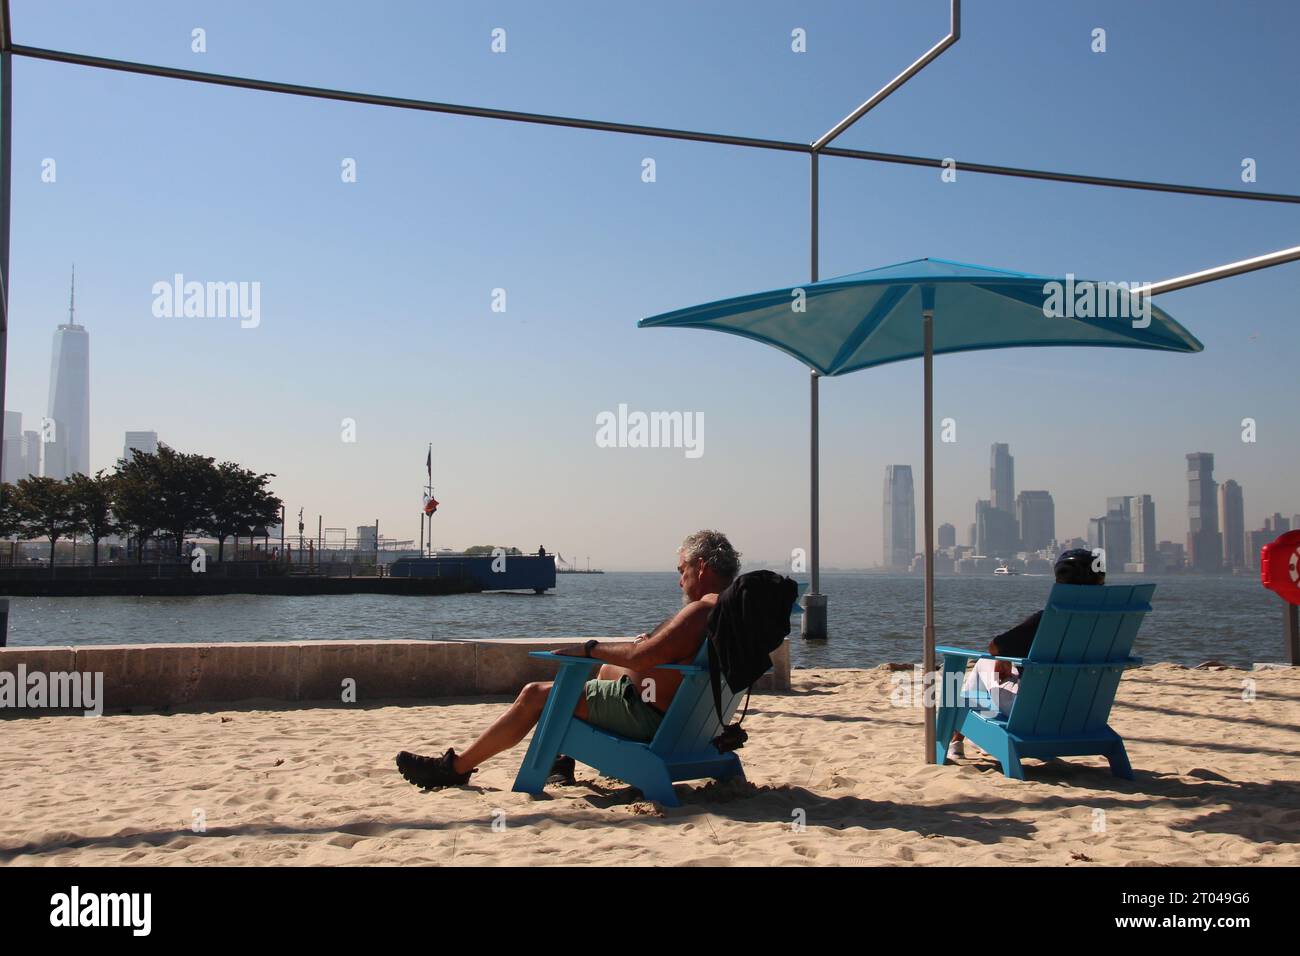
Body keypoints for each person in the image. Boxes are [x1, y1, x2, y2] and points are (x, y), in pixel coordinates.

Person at [395, 530, 742, 789]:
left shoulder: (701, 611)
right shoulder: (735, 612)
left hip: (651, 720)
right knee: (606, 671)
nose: (679, 579)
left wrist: (588, 648)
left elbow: (640, 658)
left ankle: (455, 768)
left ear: (702, 566)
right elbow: (659, 656)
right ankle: (561, 761)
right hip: (691, 725)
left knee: (536, 694)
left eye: (681, 569)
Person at [947, 548, 1105, 761]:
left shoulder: (1047, 620)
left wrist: (1002, 656)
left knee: (983, 664)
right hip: (1082, 713)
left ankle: (956, 742)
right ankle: (981, 740)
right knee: (995, 672)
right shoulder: (1110, 622)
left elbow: (995, 645)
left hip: (1034, 714)